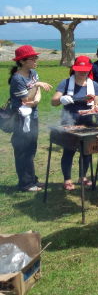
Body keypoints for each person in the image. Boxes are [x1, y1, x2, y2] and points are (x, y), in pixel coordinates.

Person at [51, 56, 98, 191]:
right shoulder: (65, 83)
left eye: (85, 70)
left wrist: (96, 108)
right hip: (69, 122)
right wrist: (61, 99)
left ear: (89, 69)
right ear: (74, 69)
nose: (82, 72)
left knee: (87, 151)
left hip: (87, 123)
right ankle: (67, 180)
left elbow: (96, 105)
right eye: (79, 69)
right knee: (69, 151)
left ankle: (83, 177)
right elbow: (53, 101)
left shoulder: (94, 85)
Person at [8, 45, 52, 192]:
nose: (35, 60)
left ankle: (32, 180)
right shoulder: (17, 78)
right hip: (21, 120)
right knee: (22, 151)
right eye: (32, 58)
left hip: (33, 116)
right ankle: (25, 184)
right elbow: (26, 98)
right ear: (22, 61)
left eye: (35, 58)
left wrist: (36, 100)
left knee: (31, 150)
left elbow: (35, 96)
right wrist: (36, 86)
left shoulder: (33, 73)